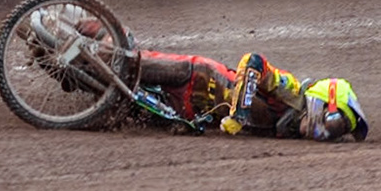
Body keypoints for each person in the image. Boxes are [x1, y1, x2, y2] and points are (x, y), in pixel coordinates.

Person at [137, 49, 368, 141]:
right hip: (196, 76)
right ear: (325, 105)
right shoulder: (291, 91)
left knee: (118, 105)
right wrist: (240, 113)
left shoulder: (288, 128)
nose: (325, 136)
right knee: (128, 63)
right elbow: (253, 61)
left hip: (184, 111)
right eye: (334, 126)